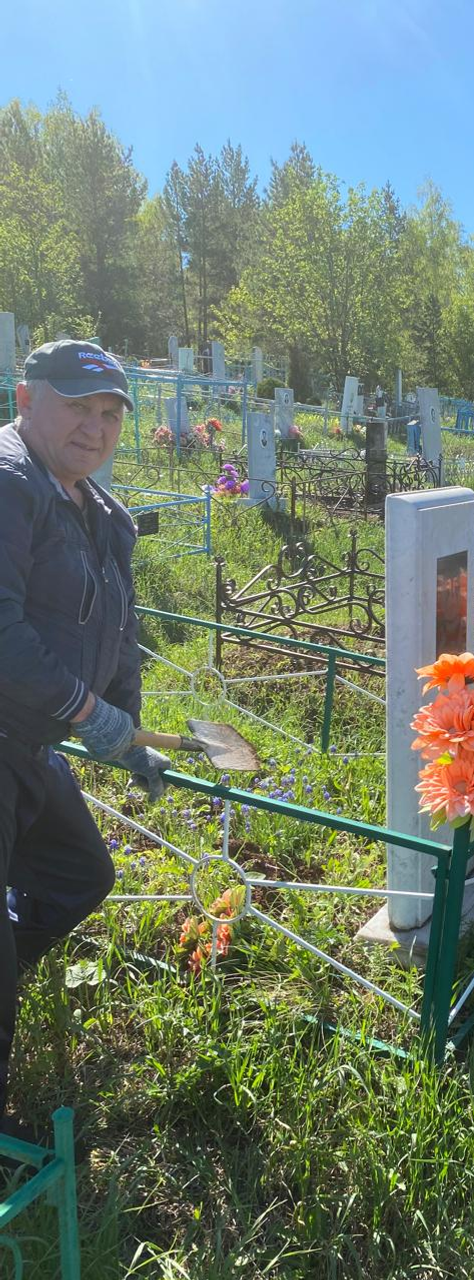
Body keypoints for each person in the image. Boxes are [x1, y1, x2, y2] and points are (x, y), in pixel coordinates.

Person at [0, 340, 169, 1135]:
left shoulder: (100, 512)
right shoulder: (7, 483)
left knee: (80, 874)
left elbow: (119, 633)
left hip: (27, 745)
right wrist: (85, 713)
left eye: (109, 414)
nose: (95, 428)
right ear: (27, 401)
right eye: (77, 405)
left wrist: (128, 732)